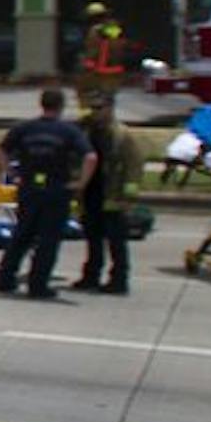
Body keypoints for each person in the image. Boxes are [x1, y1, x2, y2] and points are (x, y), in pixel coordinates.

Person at [0, 86, 96, 300]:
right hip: (56, 189)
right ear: (61, 106)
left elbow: (0, 149)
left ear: (42, 104)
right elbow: (90, 157)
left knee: (22, 234)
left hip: (29, 187)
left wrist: (12, 174)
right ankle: (38, 284)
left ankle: (6, 279)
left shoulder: (25, 128)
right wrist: (80, 184)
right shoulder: (69, 131)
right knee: (48, 239)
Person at [72, 95, 138, 295]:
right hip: (91, 193)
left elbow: (133, 167)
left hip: (113, 195)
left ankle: (119, 280)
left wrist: (128, 197)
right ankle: (91, 276)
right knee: (92, 238)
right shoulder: (86, 131)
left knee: (116, 241)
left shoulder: (122, 135)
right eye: (92, 107)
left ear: (110, 108)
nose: (95, 111)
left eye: (99, 107)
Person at [76, 1, 126, 104]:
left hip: (98, 70)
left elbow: (92, 51)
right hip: (115, 70)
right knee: (108, 98)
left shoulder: (94, 31)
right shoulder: (114, 29)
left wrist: (85, 66)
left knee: (91, 99)